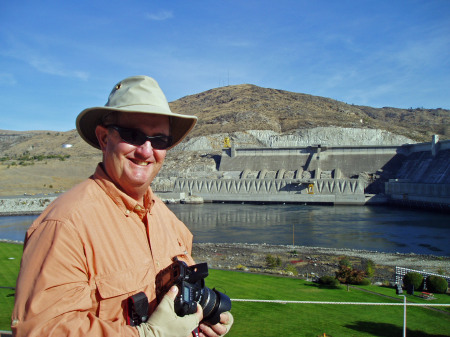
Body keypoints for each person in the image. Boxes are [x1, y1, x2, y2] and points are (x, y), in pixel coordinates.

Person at [12, 76, 233, 337]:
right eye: (133, 135)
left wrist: (201, 315)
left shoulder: (170, 223)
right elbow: (41, 329)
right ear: (104, 139)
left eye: (160, 140)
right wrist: (146, 335)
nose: (146, 151)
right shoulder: (65, 225)